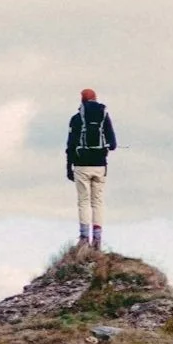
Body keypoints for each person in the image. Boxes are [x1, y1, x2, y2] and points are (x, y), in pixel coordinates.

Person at [65, 87, 116, 249]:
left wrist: (69, 167)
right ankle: (97, 240)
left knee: (84, 202)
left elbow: (71, 145)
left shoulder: (76, 119)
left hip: (81, 165)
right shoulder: (104, 116)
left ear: (82, 100)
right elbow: (113, 144)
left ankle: (84, 238)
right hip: (100, 165)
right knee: (98, 202)